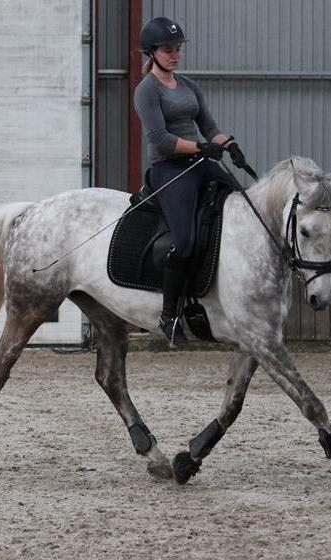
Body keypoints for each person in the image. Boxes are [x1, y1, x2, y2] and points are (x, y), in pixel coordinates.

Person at [134, 16, 248, 346]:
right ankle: (169, 316)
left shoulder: (189, 85)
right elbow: (160, 140)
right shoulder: (147, 91)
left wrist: (229, 144)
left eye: (177, 48)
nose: (175, 54)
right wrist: (202, 147)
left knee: (243, 201)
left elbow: (210, 128)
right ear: (152, 53)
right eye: (168, 50)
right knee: (183, 242)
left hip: (199, 161)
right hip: (170, 169)